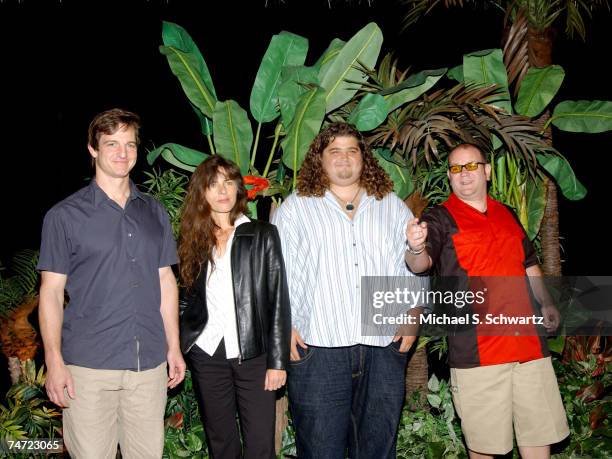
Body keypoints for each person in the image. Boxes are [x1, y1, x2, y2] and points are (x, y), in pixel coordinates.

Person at [271, 122, 426, 459]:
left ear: (363, 159)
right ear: (320, 159)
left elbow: (413, 261)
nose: (344, 159)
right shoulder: (296, 208)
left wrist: (413, 315)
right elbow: (276, 272)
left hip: (383, 343)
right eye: (334, 151)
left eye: (352, 151)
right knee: (320, 448)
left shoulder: (390, 205)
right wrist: (283, 328)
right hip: (318, 345)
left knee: (377, 448)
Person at [38, 108, 186, 458]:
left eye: (130, 144)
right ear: (93, 149)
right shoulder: (63, 217)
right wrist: (54, 359)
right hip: (87, 370)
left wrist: (173, 346)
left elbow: (166, 281)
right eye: (112, 144)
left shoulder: (154, 212)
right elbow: (51, 293)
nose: (123, 153)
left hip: (148, 367)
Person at [405, 143, 569, 458]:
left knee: (538, 436)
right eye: (455, 168)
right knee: (485, 447)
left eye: (471, 166)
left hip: (529, 348)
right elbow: (420, 264)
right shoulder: (439, 218)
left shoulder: (506, 213)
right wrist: (414, 247)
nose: (464, 175)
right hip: (479, 354)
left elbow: (529, 263)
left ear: (487, 171)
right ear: (449, 177)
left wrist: (546, 303)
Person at [178, 155, 291, 459]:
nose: (222, 191)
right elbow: (185, 297)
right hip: (207, 352)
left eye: (228, 182)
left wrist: (277, 362)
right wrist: (186, 344)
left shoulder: (263, 234)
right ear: (202, 192)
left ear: (239, 188)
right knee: (221, 442)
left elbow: (278, 299)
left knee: (259, 445)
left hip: (253, 353)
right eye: (213, 184)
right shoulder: (193, 239)